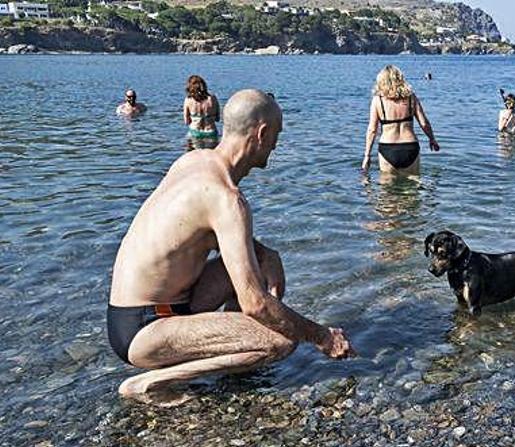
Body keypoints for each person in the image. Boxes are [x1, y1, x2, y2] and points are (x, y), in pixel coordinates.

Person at [107, 89, 355, 407]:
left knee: (258, 265)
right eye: (277, 134)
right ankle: (149, 382)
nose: (277, 145)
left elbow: (199, 235)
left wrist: (267, 255)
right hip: (144, 328)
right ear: (263, 133)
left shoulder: (194, 161)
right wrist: (322, 336)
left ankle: (234, 361)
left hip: (139, 313)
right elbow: (256, 304)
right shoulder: (227, 199)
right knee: (279, 339)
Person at [362, 65, 440, 174]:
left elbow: (372, 130)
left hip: (388, 148)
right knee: (412, 188)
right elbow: (424, 123)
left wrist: (367, 155)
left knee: (386, 190)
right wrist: (432, 139)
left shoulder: (377, 100)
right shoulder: (411, 97)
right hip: (410, 147)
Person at [184, 75, 221, 145]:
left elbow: (187, 122)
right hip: (210, 132)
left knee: (192, 154)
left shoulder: (188, 100)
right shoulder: (213, 98)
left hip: (195, 132)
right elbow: (217, 119)